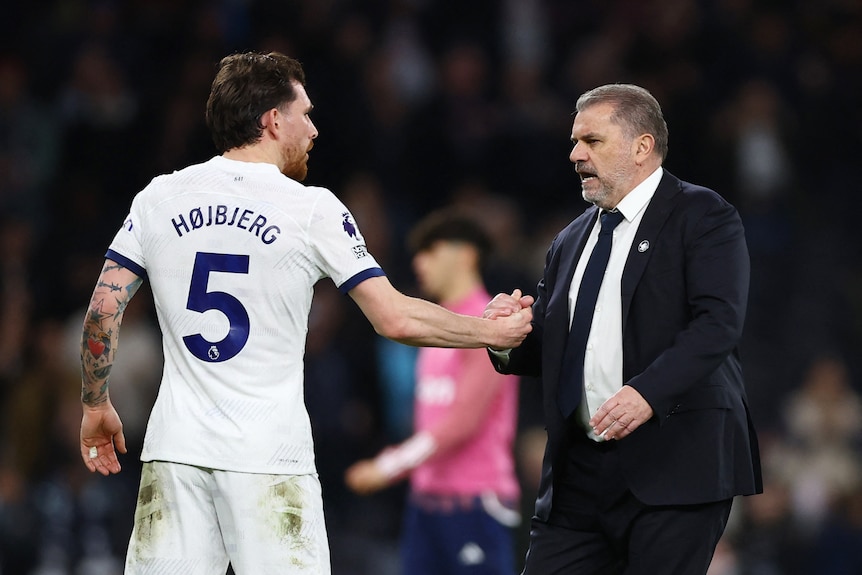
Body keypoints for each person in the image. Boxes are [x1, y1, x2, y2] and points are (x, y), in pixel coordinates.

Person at [77, 51, 532, 575]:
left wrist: (94, 404)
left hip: (176, 453)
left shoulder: (159, 198)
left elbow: (102, 311)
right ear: (273, 120)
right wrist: (491, 330)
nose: (313, 129)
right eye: (305, 114)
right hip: (270, 461)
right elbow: (395, 319)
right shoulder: (311, 209)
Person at [483, 83, 762, 575]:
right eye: (574, 142)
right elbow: (551, 350)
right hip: (578, 479)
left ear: (642, 146)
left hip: (674, 468)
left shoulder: (703, 215)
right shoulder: (570, 239)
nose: (575, 154)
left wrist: (648, 392)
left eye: (592, 141)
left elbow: (718, 323)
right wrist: (508, 337)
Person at [345, 209, 522, 575]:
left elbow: (463, 421)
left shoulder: (490, 326)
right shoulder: (437, 327)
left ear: (466, 254)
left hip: (474, 502)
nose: (418, 262)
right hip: (425, 500)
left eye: (431, 250)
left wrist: (388, 465)